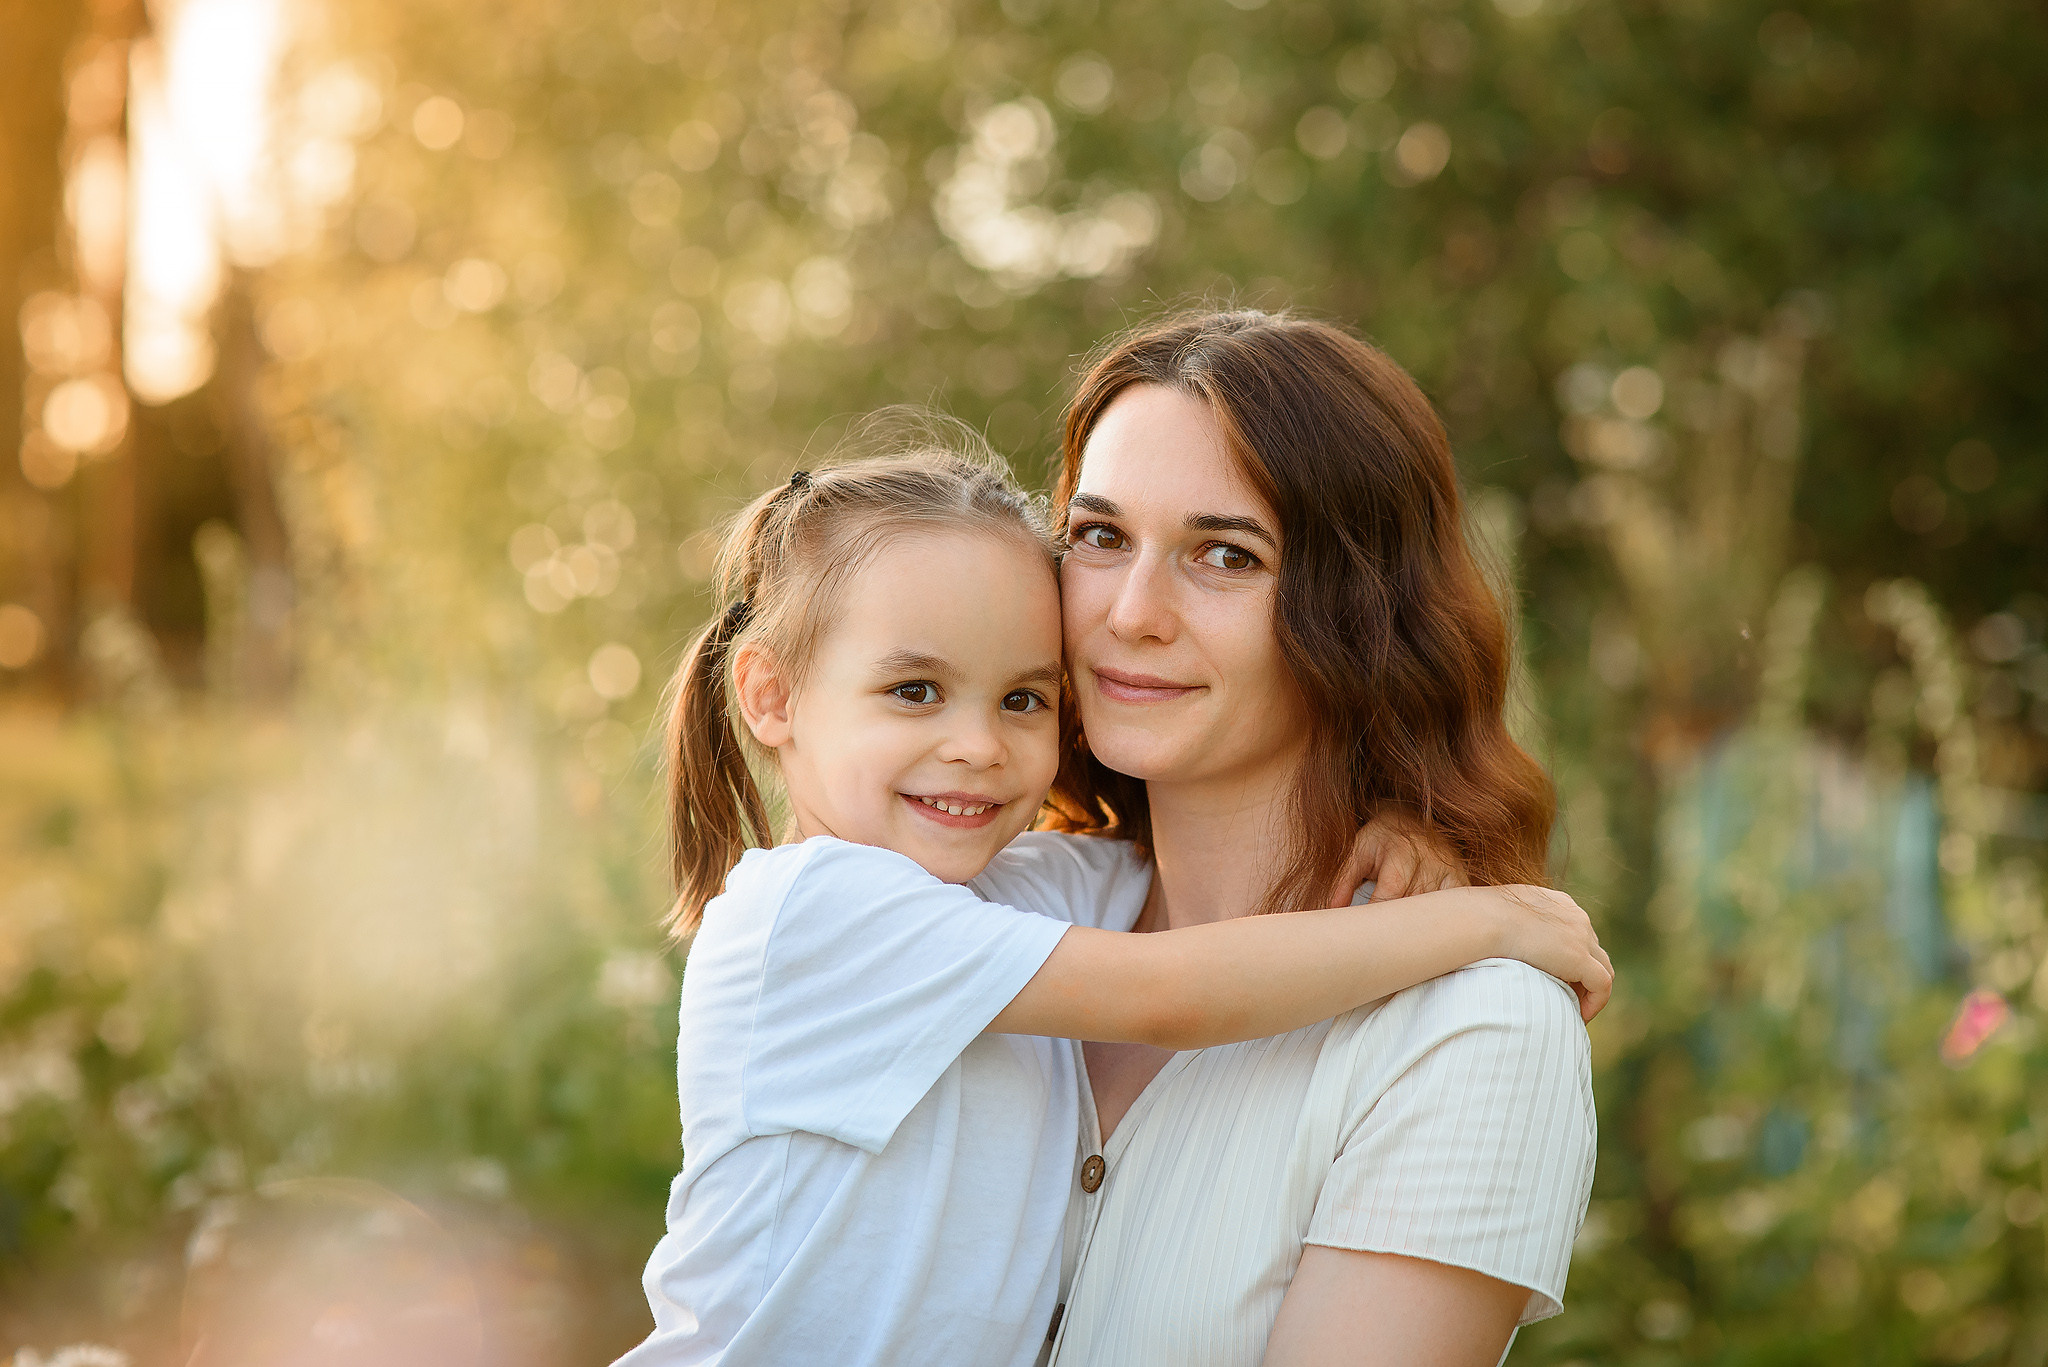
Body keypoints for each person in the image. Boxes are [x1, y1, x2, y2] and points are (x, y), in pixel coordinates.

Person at [613, 436, 1612, 1367]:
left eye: (1022, 698)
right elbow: (1168, 990)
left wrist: (1398, 827)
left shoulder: (1015, 889)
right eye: (914, 690)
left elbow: (1206, 892)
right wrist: (1485, 919)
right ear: (771, 695)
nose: (977, 744)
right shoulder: (814, 910)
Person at [1038, 309, 1601, 1367]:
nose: (1129, 611)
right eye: (1100, 536)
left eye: (1224, 553)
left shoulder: (1469, 1027)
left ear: (1362, 611)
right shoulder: (997, 905)